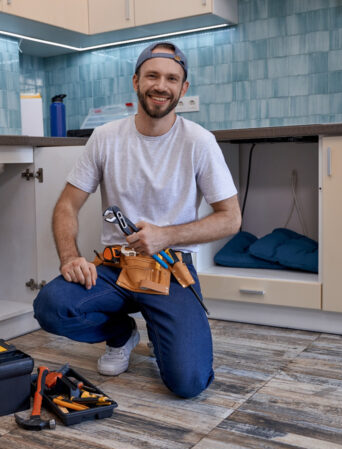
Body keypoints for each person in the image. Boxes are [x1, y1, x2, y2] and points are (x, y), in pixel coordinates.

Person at [33, 42, 241, 398]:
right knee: (51, 306)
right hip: (116, 267)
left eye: (172, 78)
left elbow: (230, 219)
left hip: (170, 266)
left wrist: (166, 235)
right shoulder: (106, 137)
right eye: (153, 75)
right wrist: (70, 257)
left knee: (189, 382)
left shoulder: (199, 142)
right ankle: (122, 334)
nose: (161, 85)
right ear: (136, 81)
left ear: (183, 88)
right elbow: (66, 205)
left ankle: (165, 336)